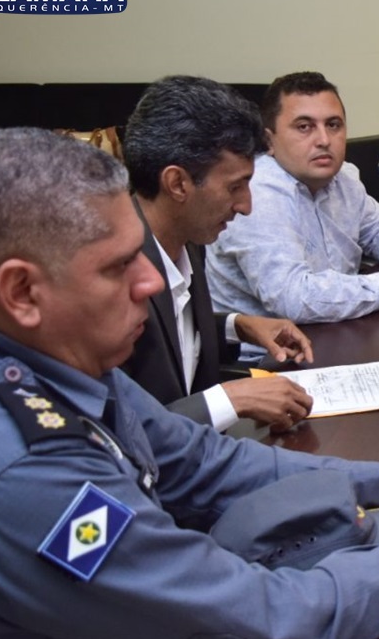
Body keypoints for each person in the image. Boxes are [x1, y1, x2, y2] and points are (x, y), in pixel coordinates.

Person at [0, 128, 379, 639]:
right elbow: (278, 625)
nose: (151, 282)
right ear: (22, 292)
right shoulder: (26, 472)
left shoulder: (55, 359)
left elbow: (202, 460)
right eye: (117, 266)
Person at [122, 75, 315, 433]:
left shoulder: (188, 235)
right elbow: (117, 432)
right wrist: (231, 399)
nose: (246, 206)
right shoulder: (110, 277)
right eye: (235, 187)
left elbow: (171, 330)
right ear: (178, 183)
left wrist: (237, 325)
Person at [206, 72, 379, 324]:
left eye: (333, 125)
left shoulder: (343, 177)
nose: (324, 140)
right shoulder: (256, 193)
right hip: (269, 356)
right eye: (304, 127)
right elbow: (293, 298)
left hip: (336, 331)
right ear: (269, 141)